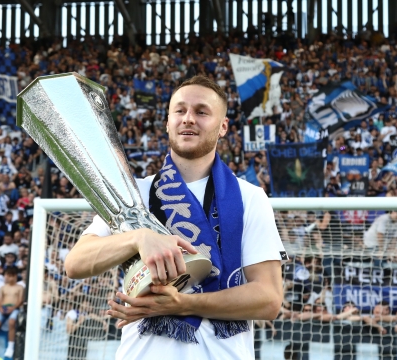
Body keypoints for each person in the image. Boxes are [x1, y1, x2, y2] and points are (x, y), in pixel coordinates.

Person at [65, 75, 284, 359]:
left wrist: (180, 304)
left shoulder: (249, 197)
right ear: (168, 122)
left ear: (223, 127)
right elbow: (75, 263)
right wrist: (139, 238)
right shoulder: (135, 194)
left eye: (202, 112)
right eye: (179, 110)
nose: (188, 119)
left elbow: (268, 299)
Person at [0, 267, 24, 358]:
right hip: (3, 308)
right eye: (8, 276)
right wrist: (0, 308)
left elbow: (20, 300)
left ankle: (10, 347)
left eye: (12, 276)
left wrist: (13, 308)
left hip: (15, 308)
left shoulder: (20, 287)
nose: (10, 278)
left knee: (12, 322)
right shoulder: (2, 288)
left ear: (16, 276)